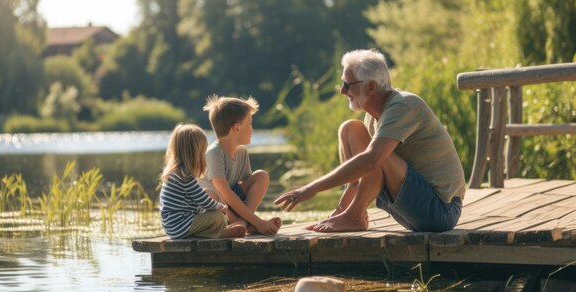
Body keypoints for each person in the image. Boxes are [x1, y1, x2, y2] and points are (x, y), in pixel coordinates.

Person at [275, 49, 466, 233]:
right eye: (342, 83)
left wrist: (312, 188)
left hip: (441, 211)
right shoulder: (374, 116)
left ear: (371, 86)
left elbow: (372, 160)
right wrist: (341, 208)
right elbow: (365, 170)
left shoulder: (404, 105)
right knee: (350, 129)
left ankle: (355, 216)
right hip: (415, 206)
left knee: (375, 154)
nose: (342, 91)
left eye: (348, 84)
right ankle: (348, 212)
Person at [199, 95, 282, 235]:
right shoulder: (214, 153)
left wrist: (249, 218)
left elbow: (248, 187)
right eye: (249, 123)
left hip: (231, 200)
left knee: (261, 176)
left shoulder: (241, 152)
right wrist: (258, 221)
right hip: (214, 204)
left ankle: (244, 223)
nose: (252, 129)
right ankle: (248, 223)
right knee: (213, 195)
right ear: (237, 128)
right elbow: (224, 193)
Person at [159, 123, 247, 239]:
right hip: (180, 226)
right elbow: (203, 200)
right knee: (218, 217)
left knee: (210, 199)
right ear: (195, 153)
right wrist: (220, 207)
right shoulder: (185, 176)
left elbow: (196, 199)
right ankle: (221, 234)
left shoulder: (177, 173)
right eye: (203, 152)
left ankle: (214, 232)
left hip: (175, 227)